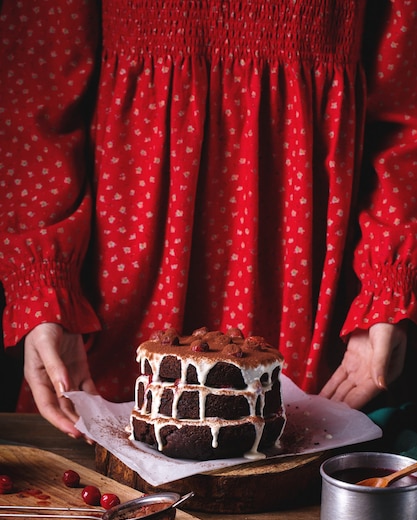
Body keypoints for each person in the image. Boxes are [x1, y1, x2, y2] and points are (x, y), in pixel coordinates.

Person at [1, 0, 416, 441]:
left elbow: (407, 105)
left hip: (303, 258)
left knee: (285, 472)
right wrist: (43, 288)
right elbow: (34, 94)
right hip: (123, 261)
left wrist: (387, 285)